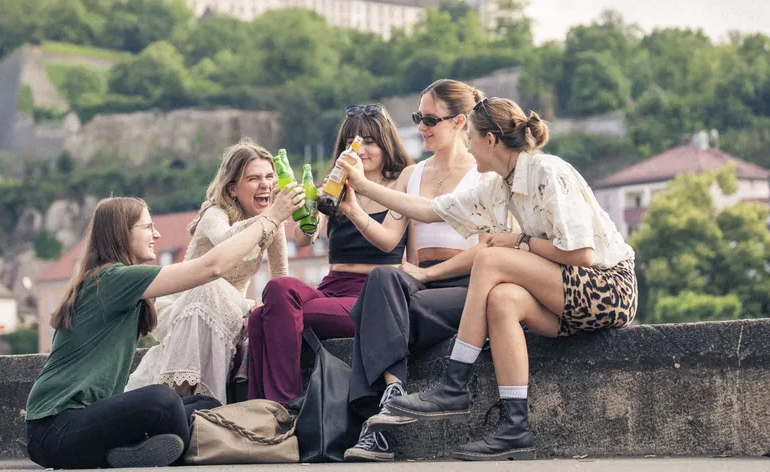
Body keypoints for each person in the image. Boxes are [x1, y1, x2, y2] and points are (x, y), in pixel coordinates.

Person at [340, 97, 637, 461]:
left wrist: (520, 241)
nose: (467, 145)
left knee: (492, 258)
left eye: (471, 138)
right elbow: (430, 210)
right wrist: (361, 186)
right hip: (565, 297)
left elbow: (582, 255)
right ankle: (515, 427)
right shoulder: (498, 186)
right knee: (502, 300)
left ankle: (454, 383)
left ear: (491, 140)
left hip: (607, 288)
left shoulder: (548, 171)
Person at [24, 184, 304, 468]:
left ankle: (136, 450)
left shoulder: (120, 283)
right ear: (123, 233)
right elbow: (211, 268)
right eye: (148, 227)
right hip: (54, 429)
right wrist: (271, 218)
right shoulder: (111, 280)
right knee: (162, 400)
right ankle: (146, 449)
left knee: (206, 404)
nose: (156, 235)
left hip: (83, 424)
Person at [343, 80, 488, 462]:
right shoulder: (413, 175)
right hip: (417, 285)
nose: (421, 126)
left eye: (428, 119)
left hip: (468, 285)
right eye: (417, 117)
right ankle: (393, 396)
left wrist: (426, 276)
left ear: (459, 121)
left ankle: (375, 426)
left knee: (375, 315)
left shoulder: (483, 172)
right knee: (380, 277)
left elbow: (489, 250)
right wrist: (355, 210)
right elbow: (389, 241)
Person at [246, 104, 412, 404]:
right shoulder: (335, 184)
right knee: (275, 293)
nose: (359, 149)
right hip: (331, 286)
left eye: (369, 141)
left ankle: (283, 405)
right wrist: (307, 212)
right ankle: (264, 409)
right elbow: (304, 240)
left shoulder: (400, 183)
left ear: (386, 144)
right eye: (351, 142)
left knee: (266, 318)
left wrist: (354, 206)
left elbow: (388, 243)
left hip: (373, 294)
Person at [126, 140, 292, 403]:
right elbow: (225, 243)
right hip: (189, 302)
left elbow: (281, 275)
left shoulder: (273, 219)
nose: (266, 185)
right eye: (254, 178)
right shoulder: (214, 213)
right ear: (233, 188)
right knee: (210, 286)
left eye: (270, 176)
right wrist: (270, 217)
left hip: (232, 309)